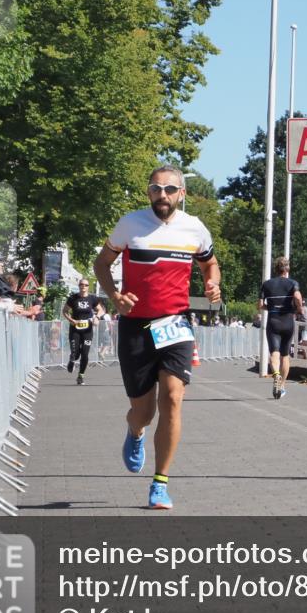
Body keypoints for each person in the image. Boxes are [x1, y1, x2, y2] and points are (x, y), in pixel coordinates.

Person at [94, 165, 220, 510]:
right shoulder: (130, 224)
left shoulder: (194, 228)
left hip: (175, 324)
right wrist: (115, 296)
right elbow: (101, 263)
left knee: (173, 397)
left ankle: (160, 483)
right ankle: (135, 432)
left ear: (182, 193)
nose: (161, 195)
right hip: (135, 325)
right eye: (155, 188)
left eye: (169, 189)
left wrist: (213, 283)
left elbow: (210, 263)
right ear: (148, 192)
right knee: (144, 411)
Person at [258, 256, 303, 399]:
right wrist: (299, 309)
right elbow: (297, 297)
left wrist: (269, 307)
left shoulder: (267, 284)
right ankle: (282, 385)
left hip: (273, 321)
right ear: (287, 269)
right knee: (285, 356)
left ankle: (276, 374)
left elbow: (259, 305)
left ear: (275, 269)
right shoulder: (292, 283)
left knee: (274, 354)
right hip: (288, 321)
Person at [62, 278, 105, 385]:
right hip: (75, 328)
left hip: (87, 329)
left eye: (85, 285)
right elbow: (65, 311)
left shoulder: (92, 298)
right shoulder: (73, 298)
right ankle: (72, 359)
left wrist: (97, 317)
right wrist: (70, 320)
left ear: (88, 287)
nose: (83, 287)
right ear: (79, 286)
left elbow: (101, 310)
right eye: (81, 284)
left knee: (85, 354)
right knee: (75, 353)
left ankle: (81, 376)